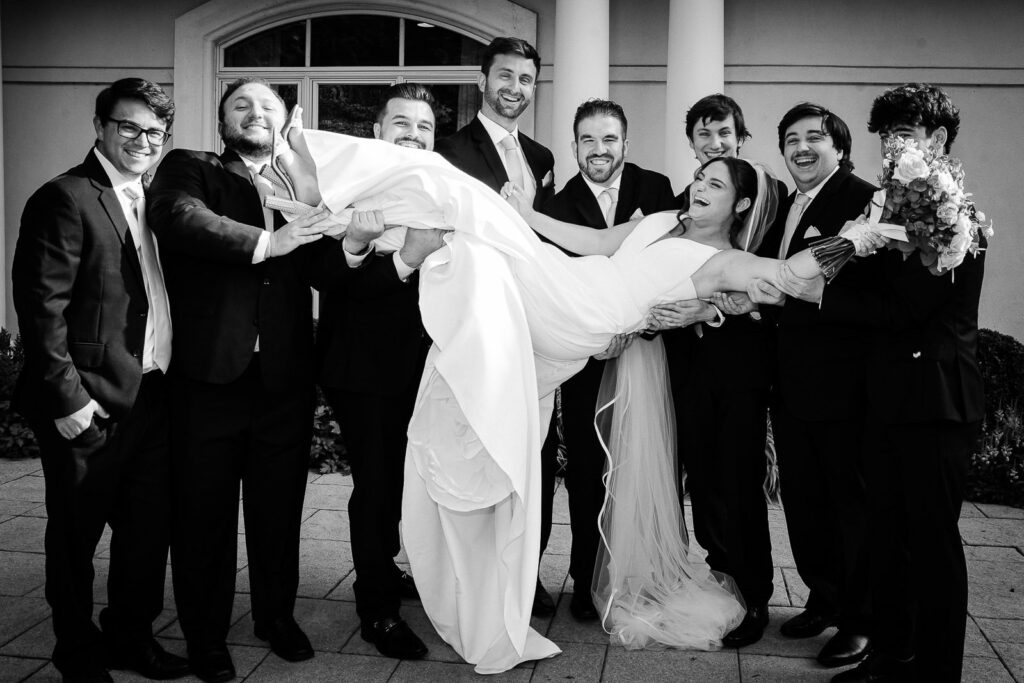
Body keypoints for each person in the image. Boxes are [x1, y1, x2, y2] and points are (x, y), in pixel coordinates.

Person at [270, 125, 849, 671]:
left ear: (741, 206)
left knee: (464, 201)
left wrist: (854, 240)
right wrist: (526, 216)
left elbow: (793, 277)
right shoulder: (661, 220)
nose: (699, 187)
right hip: (572, 286)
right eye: (701, 177)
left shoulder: (725, 260)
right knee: (467, 226)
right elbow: (594, 241)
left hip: (589, 317)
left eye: (716, 185)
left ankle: (318, 172)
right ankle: (331, 211)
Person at [146, 77, 399, 683]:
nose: (254, 112)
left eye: (268, 105)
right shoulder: (192, 169)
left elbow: (323, 274)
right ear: (223, 122)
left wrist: (355, 245)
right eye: (242, 104)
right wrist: (270, 239)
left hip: (283, 379)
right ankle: (205, 635)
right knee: (202, 514)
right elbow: (177, 218)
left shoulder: (301, 188)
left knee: (279, 511)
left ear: (285, 121)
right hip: (210, 378)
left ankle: (275, 618)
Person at [775, 84, 983, 683]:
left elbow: (904, 310)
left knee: (931, 548)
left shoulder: (952, 211)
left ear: (937, 139)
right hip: (884, 400)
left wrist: (818, 289)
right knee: (887, 537)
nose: (892, 147)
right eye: (886, 136)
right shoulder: (890, 205)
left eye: (905, 134)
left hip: (936, 401)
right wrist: (846, 248)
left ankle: (936, 672)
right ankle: (892, 657)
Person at [11, 78, 188, 683]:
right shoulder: (65, 196)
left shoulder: (160, 200)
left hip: (153, 395)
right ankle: (76, 650)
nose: (142, 140)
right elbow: (40, 308)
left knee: (146, 535)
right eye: (129, 127)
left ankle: (130, 638)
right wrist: (68, 399)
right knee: (75, 538)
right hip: (88, 401)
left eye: (155, 132)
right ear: (101, 127)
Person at [316, 83, 447, 660]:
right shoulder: (349, 185)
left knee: (411, 478)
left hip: (427, 365)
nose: (413, 133)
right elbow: (330, 281)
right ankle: (377, 609)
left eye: (423, 125)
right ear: (377, 130)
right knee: (377, 486)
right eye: (401, 122)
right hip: (363, 366)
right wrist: (401, 255)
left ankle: (390, 570)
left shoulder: (441, 188)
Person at [537, 98, 676, 622]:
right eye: (588, 140)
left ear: (626, 142)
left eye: (609, 139)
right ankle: (588, 577)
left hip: (649, 348)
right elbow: (554, 282)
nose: (599, 150)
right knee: (589, 470)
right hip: (586, 356)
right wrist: (595, 333)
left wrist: (636, 321)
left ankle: (647, 573)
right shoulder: (554, 206)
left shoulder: (657, 189)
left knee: (648, 462)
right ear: (574, 147)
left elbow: (669, 263)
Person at [433, 35, 557, 615]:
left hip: (530, 327)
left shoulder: (543, 158)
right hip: (473, 324)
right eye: (504, 76)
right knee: (478, 447)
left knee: (532, 447)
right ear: (483, 80)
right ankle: (471, 576)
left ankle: (525, 570)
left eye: (526, 80)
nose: (515, 89)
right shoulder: (448, 150)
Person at [657, 93, 783, 647]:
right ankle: (719, 576)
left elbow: (775, 286)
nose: (714, 143)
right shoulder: (684, 205)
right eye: (704, 135)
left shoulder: (765, 202)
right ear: (692, 144)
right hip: (686, 365)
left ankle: (755, 594)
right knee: (702, 478)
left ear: (740, 135)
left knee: (738, 480)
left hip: (742, 364)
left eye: (724, 133)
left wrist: (714, 307)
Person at [758, 103, 875, 669]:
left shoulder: (865, 201)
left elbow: (881, 298)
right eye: (791, 140)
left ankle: (860, 618)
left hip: (843, 387)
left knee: (848, 504)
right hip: (791, 383)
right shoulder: (786, 203)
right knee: (804, 501)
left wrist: (820, 297)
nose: (801, 148)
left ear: (840, 148)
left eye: (814, 138)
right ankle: (823, 596)